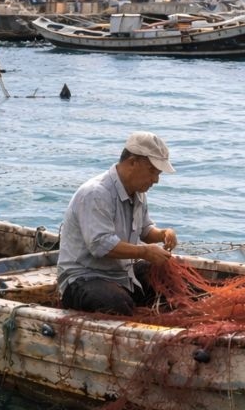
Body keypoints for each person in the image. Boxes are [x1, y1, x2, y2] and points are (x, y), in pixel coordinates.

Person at [56, 131, 180, 315]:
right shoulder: (96, 193)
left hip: (122, 275)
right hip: (84, 278)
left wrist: (163, 234)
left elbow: (145, 231)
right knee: (117, 303)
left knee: (168, 276)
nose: (156, 180)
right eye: (152, 171)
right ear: (132, 163)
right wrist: (145, 252)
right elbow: (101, 245)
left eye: (158, 173)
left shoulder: (138, 192)